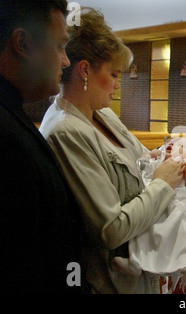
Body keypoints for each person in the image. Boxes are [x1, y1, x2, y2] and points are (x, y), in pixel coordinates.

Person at [39, 7, 185, 294]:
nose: (119, 85)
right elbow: (111, 229)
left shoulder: (103, 115)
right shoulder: (65, 130)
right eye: (114, 74)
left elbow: (143, 158)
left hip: (140, 271)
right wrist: (162, 184)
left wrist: (170, 151)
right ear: (85, 70)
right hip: (108, 280)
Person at [0, 0, 82, 294]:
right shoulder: (7, 138)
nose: (65, 61)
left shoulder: (13, 116)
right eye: (60, 46)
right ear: (22, 43)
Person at [111, 137, 186, 294]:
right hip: (153, 206)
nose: (173, 145)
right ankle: (134, 263)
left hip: (179, 210)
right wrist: (148, 156)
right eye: (169, 144)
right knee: (141, 236)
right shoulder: (156, 163)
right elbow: (138, 167)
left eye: (181, 146)